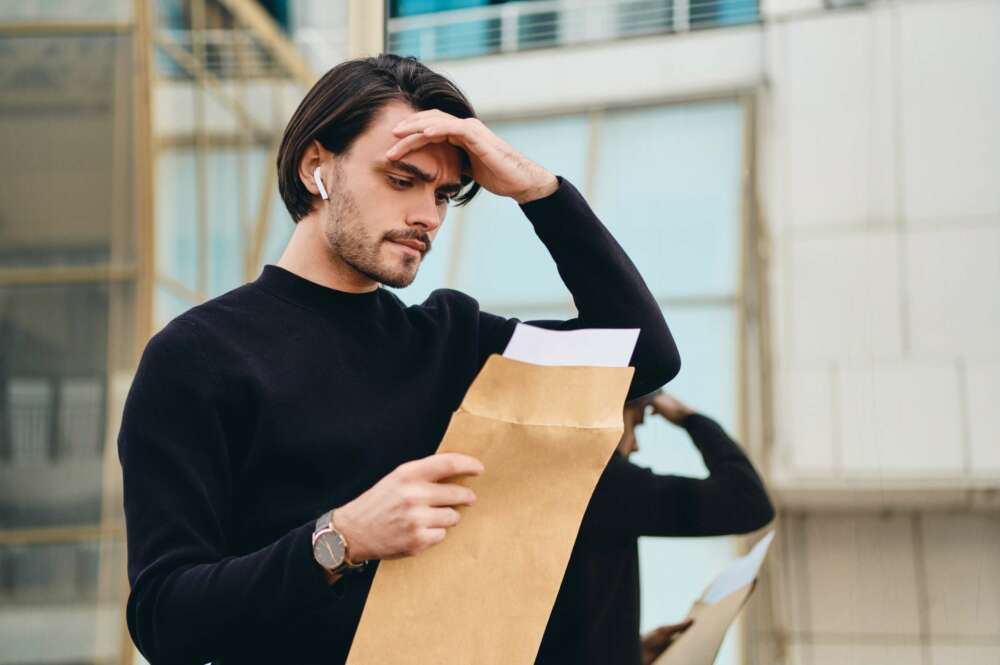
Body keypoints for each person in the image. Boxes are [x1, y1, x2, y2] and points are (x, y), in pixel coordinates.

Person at [117, 54, 681, 665]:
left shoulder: (453, 340)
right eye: (402, 180)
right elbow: (163, 617)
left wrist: (536, 190)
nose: (429, 217)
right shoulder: (198, 356)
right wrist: (341, 539)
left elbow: (643, 354)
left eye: (443, 194)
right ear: (317, 168)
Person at [535, 391, 775, 665]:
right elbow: (747, 502)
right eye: (636, 422)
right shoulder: (603, 483)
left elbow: (563, 617)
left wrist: (630, 650)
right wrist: (689, 418)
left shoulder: (544, 477)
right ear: (612, 414)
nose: (635, 446)